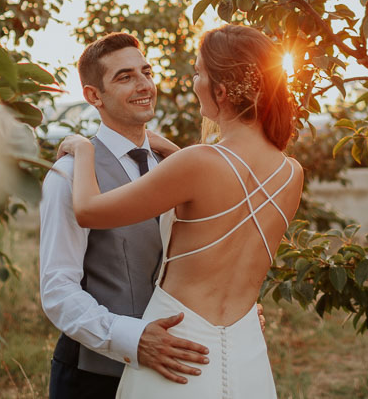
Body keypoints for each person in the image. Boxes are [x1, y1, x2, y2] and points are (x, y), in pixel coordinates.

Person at [58, 24, 305, 398]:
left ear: (220, 90)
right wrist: (175, 152)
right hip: (246, 352)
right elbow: (226, 200)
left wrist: (83, 148)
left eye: (198, 73)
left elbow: (88, 210)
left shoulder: (197, 164)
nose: (193, 82)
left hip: (178, 352)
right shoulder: (291, 172)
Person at [39, 32, 211, 399]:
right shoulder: (69, 175)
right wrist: (131, 339)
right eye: (125, 77)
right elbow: (57, 290)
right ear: (93, 96)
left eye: (146, 71)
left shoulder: (174, 164)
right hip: (94, 376)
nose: (144, 84)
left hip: (175, 371)